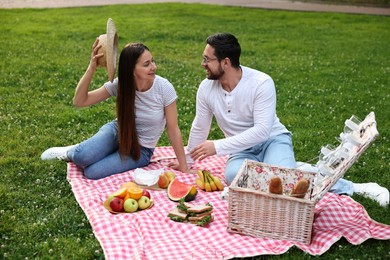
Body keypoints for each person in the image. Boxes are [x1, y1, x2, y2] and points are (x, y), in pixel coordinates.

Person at [171, 32, 389, 207]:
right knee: (233, 177)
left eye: (207, 59)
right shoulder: (206, 87)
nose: (202, 64)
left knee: (287, 181)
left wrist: (216, 146)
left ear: (225, 62)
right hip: (241, 150)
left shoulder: (261, 82)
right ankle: (290, 166)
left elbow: (262, 131)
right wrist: (188, 159)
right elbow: (200, 124)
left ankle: (357, 187)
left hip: (273, 140)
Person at [41, 39, 189, 179]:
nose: (153, 67)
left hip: (141, 150)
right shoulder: (121, 85)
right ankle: (71, 151)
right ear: (132, 69)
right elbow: (80, 101)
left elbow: (173, 129)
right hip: (118, 131)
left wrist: (183, 166)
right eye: (146, 64)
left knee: (92, 172)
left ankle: (92, 149)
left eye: (152, 61)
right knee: (81, 157)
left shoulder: (164, 88)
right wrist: (92, 67)